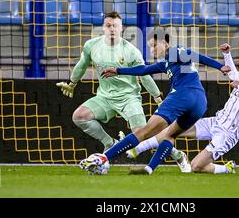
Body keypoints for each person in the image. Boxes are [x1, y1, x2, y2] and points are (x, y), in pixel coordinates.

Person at [79, 31, 231, 175]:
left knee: (143, 132)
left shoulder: (174, 51)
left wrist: (220, 66)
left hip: (183, 95)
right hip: (200, 103)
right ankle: (149, 168)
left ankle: (103, 158)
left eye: (154, 45)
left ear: (165, 44)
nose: (152, 49)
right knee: (170, 134)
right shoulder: (168, 63)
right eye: (150, 46)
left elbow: (194, 55)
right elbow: (144, 69)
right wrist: (118, 71)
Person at [56, 12, 190, 172]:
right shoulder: (92, 45)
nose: (111, 28)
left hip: (129, 98)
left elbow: (145, 76)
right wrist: (72, 83)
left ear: (121, 28)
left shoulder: (131, 51)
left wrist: (156, 97)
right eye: (108, 25)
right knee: (79, 116)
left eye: (115, 26)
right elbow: (82, 64)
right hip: (104, 97)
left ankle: (178, 155)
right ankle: (109, 143)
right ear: (103, 28)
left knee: (143, 135)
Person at [128, 43, 239, 174]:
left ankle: (226, 169)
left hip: (229, 133)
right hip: (216, 121)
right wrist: (227, 54)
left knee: (196, 166)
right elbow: (231, 72)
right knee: (171, 130)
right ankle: (138, 148)